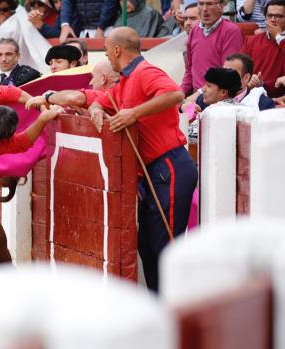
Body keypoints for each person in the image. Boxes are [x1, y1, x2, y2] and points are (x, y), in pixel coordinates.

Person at [36, 27, 196, 292]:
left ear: (117, 49)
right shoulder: (125, 82)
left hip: (169, 164)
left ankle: (173, 310)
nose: (107, 55)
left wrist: (133, 114)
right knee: (147, 245)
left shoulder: (145, 72)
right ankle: (159, 305)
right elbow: (95, 99)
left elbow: (175, 95)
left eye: (108, 49)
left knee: (163, 247)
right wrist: (95, 106)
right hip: (155, 170)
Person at [181, 0, 243, 95]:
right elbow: (189, 72)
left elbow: (227, 73)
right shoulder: (194, 30)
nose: (205, 9)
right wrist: (179, 94)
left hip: (219, 98)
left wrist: (198, 94)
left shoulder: (231, 31)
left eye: (209, 4)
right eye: (201, 4)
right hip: (196, 98)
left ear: (221, 7)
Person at [241, 0, 285, 98]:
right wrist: (248, 80)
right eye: (269, 15)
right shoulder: (252, 41)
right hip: (253, 98)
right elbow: (238, 70)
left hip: (283, 102)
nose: (273, 19)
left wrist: (279, 37)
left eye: (279, 16)